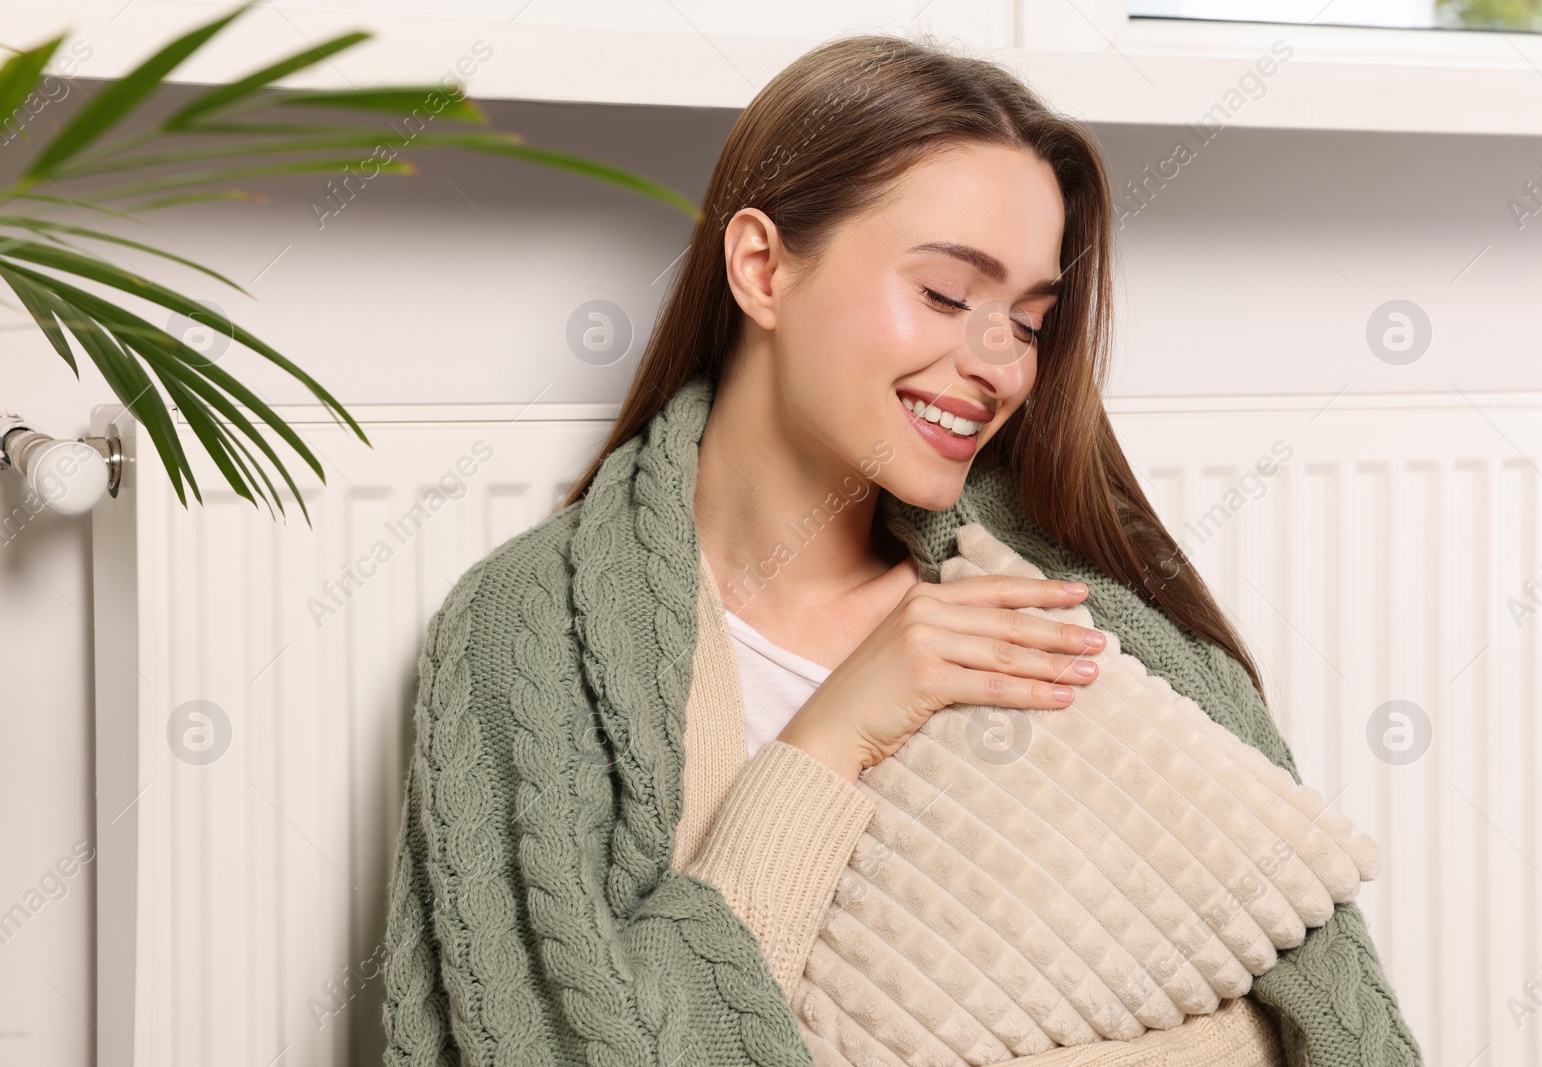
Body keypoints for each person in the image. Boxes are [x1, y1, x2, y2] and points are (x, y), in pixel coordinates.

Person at [380, 32, 1420, 1067]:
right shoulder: (526, 637)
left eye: (1028, 318)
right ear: (761, 268)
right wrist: (828, 739)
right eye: (943, 294)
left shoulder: (1074, 623)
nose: (997, 364)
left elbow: (1286, 1023)